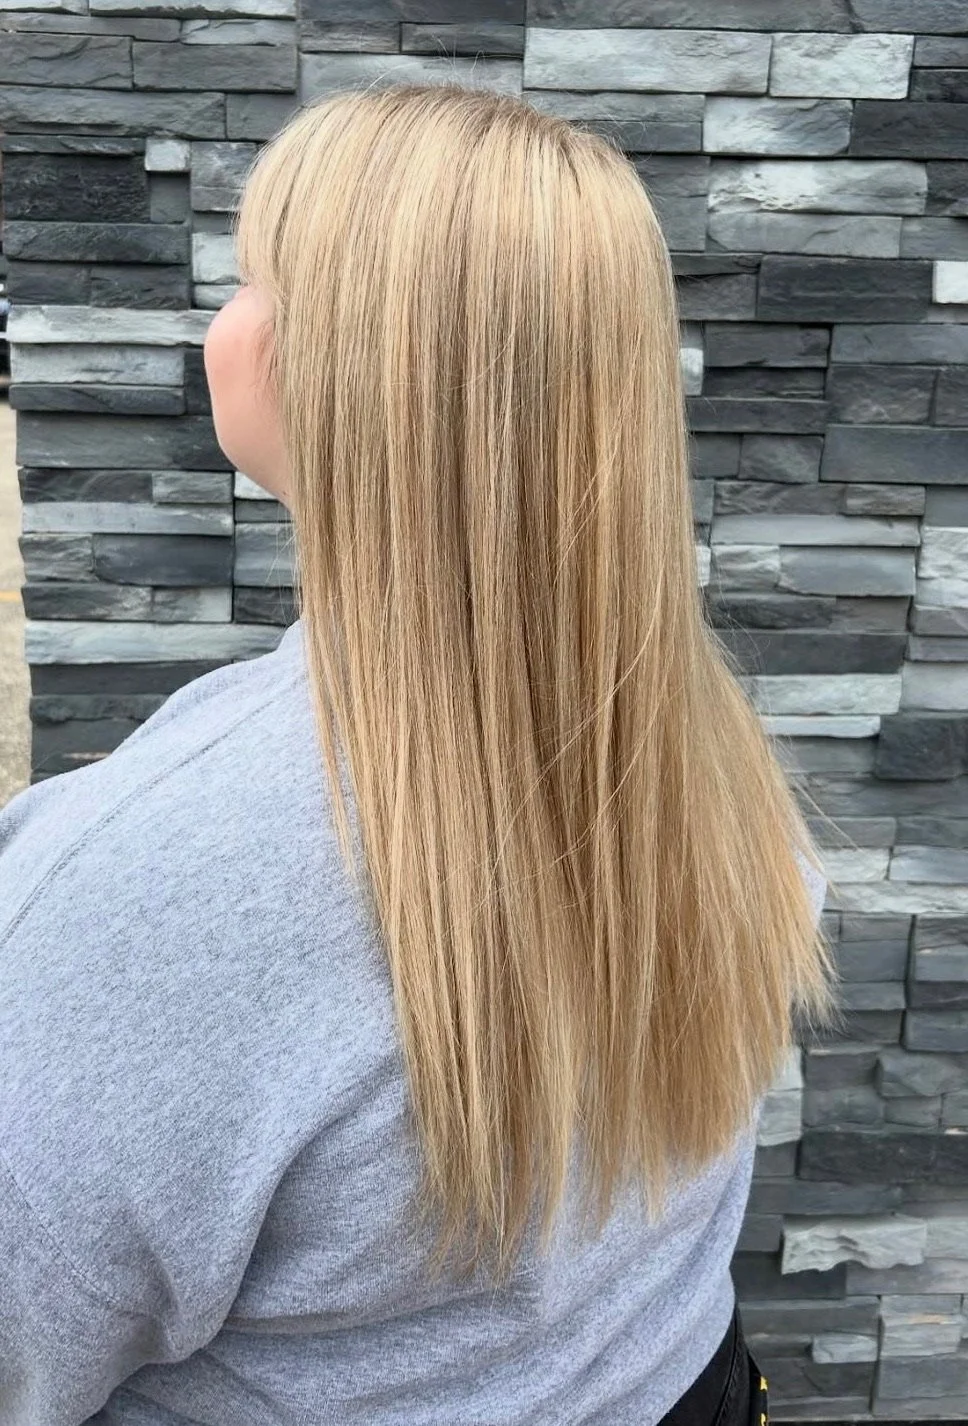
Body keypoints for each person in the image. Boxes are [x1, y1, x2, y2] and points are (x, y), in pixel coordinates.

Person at [0, 83, 841, 1426]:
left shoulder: (144, 896)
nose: (227, 320)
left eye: (254, 278)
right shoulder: (700, 752)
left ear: (344, 369)